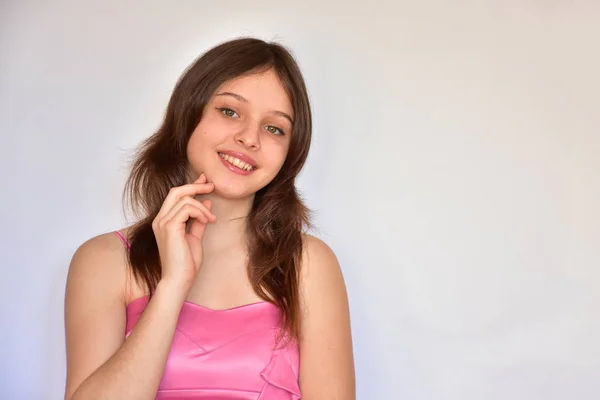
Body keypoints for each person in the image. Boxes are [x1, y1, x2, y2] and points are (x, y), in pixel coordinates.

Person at [64, 37, 355, 400]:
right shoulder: (104, 261)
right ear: (188, 115)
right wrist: (172, 287)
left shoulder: (308, 264)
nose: (249, 138)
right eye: (230, 111)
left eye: (274, 128)